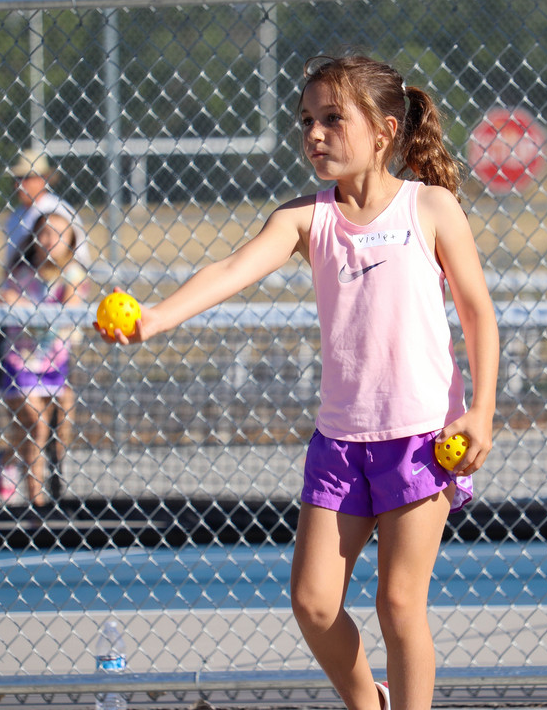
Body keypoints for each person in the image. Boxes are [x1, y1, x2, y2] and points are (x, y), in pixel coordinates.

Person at [95, 54, 500, 710]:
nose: (314, 133)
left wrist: (479, 413)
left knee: (399, 601)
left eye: (332, 119)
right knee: (313, 604)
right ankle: (369, 702)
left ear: (385, 130)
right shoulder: (306, 218)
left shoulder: (430, 207)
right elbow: (231, 268)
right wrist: (154, 319)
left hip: (423, 440)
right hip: (340, 442)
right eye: (306, 120)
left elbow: (479, 313)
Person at [0, 206, 87, 508]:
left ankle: (8, 457)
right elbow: (2, 305)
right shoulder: (19, 273)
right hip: (17, 360)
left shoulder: (72, 274)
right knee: (36, 426)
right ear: (34, 237)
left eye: (60, 234)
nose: (51, 240)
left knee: (54, 428)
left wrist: (24, 306)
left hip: (54, 364)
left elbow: (69, 310)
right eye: (45, 232)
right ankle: (38, 506)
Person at [5, 147, 90, 272]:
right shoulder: (15, 216)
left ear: (43, 179)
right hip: (24, 284)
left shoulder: (59, 210)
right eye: (17, 179)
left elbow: (79, 259)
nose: (20, 184)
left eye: (27, 178)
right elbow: (10, 264)